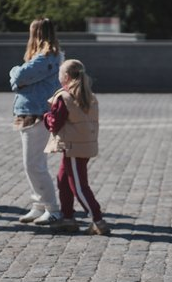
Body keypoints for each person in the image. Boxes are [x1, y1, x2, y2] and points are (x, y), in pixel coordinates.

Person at [44, 59, 110, 235]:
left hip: (73, 147)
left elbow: (54, 124)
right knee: (63, 179)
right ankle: (67, 217)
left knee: (79, 186)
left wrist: (45, 117)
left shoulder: (65, 97)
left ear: (65, 77)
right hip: (85, 144)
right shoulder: (89, 95)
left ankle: (98, 220)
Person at [10, 18, 64, 225]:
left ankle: (52, 207)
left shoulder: (46, 57)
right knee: (32, 164)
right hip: (31, 113)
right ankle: (39, 204)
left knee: (34, 164)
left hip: (37, 114)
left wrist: (13, 70)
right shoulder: (44, 56)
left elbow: (20, 76)